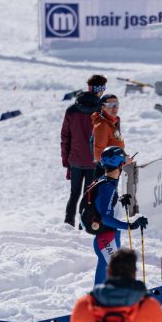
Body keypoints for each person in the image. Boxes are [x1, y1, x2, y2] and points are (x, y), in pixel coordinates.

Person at [83, 146, 147, 286]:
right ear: (118, 164)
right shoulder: (107, 187)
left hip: (109, 237)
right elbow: (106, 218)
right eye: (122, 161)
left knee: (110, 281)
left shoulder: (106, 180)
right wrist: (130, 225)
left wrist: (118, 200)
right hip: (106, 239)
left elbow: (105, 205)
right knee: (105, 282)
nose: (124, 163)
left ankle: (103, 302)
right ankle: (98, 304)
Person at [61, 74, 107, 227]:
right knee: (89, 196)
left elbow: (65, 136)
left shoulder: (72, 110)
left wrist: (65, 161)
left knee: (74, 195)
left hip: (75, 160)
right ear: (99, 90)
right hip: (94, 162)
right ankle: (84, 225)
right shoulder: (101, 112)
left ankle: (68, 223)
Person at [91, 93, 125, 172]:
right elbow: (99, 155)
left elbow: (117, 141)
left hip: (114, 168)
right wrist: (124, 160)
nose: (115, 107)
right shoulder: (102, 125)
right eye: (110, 105)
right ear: (103, 107)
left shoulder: (114, 121)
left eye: (116, 104)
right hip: (106, 171)